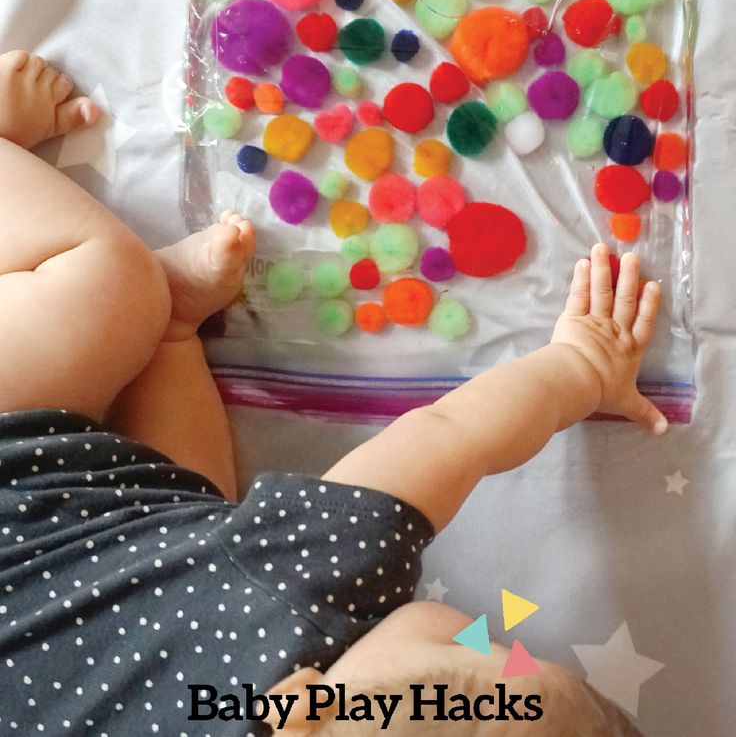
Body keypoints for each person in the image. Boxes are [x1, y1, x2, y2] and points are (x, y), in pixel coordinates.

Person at [0, 50, 663, 737]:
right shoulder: (256, 639)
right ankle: (172, 334)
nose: (484, 633)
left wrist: (583, 365)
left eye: (476, 652)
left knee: (113, 284)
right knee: (203, 552)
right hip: (117, 616)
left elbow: (451, 436)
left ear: (306, 705)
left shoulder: (303, 584)